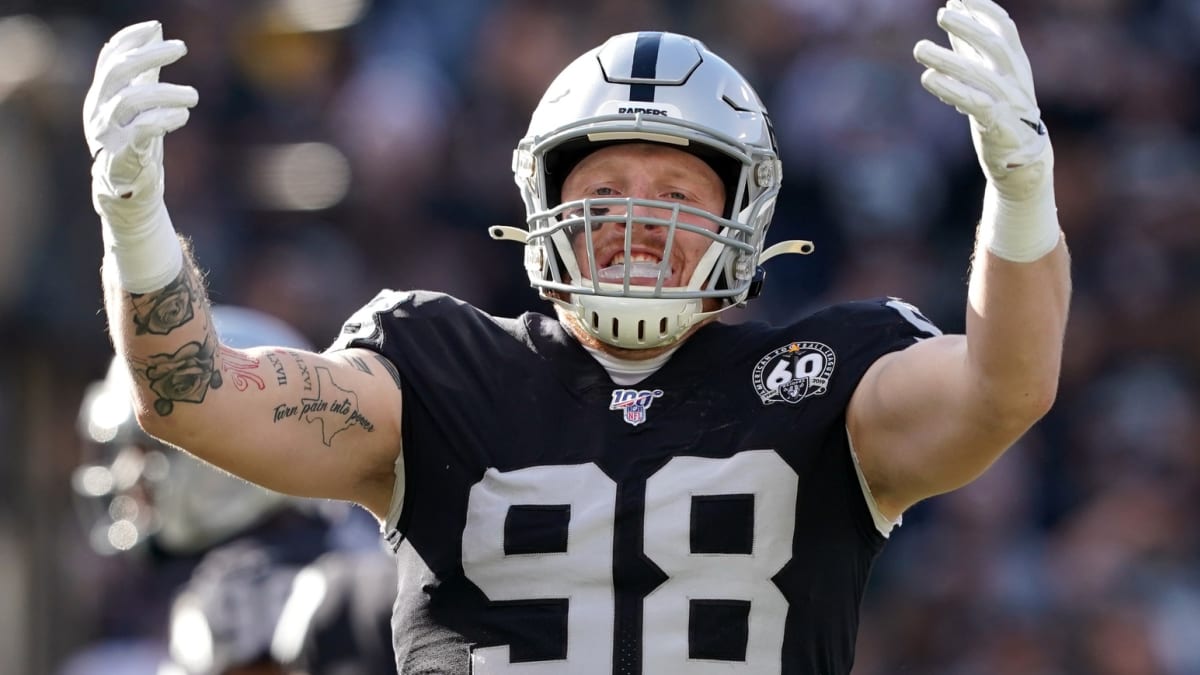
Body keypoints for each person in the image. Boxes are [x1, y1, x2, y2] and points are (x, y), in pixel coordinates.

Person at [82, 0, 1070, 672]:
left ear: (744, 218)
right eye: (604, 191)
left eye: (678, 193)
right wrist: (136, 229)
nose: (639, 220)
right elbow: (193, 398)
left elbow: (1005, 386)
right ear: (541, 202)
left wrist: (1021, 206)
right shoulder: (436, 364)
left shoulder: (822, 379)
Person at [66, 305, 395, 675]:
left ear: (220, 447)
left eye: (147, 447)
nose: (128, 473)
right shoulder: (357, 551)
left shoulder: (242, 601)